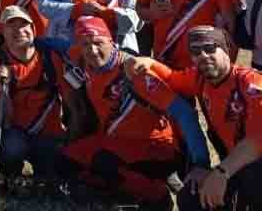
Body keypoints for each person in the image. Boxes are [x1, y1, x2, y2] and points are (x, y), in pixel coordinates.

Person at [53, 16, 209, 206]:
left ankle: (156, 196)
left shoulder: (135, 71)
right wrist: (33, 41)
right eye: (85, 44)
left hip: (156, 149)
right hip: (116, 143)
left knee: (103, 162)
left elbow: (185, 113)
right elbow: (57, 45)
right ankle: (122, 190)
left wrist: (200, 164)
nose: (92, 50)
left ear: (111, 41)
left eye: (98, 43)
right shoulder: (85, 62)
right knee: (65, 160)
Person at [127, 26, 262, 210]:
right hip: (236, 169)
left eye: (210, 48)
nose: (203, 56)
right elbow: (171, 78)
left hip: (252, 168)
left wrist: (221, 172)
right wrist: (148, 62)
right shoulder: (199, 80)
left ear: (227, 50)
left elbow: (258, 138)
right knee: (191, 195)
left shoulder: (249, 82)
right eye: (196, 51)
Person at [0, 5, 67, 184]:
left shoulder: (50, 57)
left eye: (24, 25)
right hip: (17, 133)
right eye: (11, 26)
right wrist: (2, 89)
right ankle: (10, 177)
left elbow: (70, 99)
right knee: (11, 149)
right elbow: (4, 119)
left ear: (33, 29)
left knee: (54, 173)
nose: (19, 31)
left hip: (50, 133)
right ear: (3, 33)